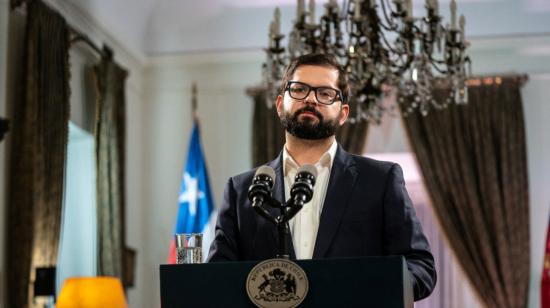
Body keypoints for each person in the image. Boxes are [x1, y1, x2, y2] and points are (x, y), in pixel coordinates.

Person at [207, 53, 436, 301]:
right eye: (299, 89)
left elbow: (421, 267)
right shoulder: (241, 189)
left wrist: (373, 289)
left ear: (343, 113)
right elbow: (219, 277)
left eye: (325, 94)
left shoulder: (381, 180)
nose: (310, 99)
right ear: (279, 104)